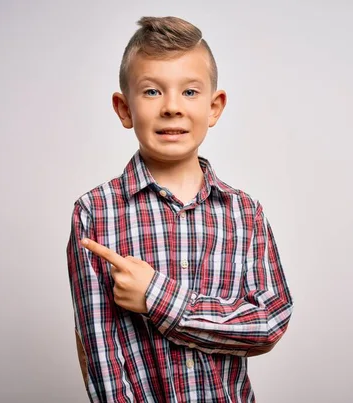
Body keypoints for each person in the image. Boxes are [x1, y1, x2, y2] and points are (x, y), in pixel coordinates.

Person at [66, 16, 293, 402]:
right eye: (152, 92)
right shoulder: (94, 213)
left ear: (214, 107)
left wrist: (157, 297)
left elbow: (269, 322)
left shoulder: (246, 214)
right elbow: (101, 356)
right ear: (124, 108)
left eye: (189, 92)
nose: (172, 107)